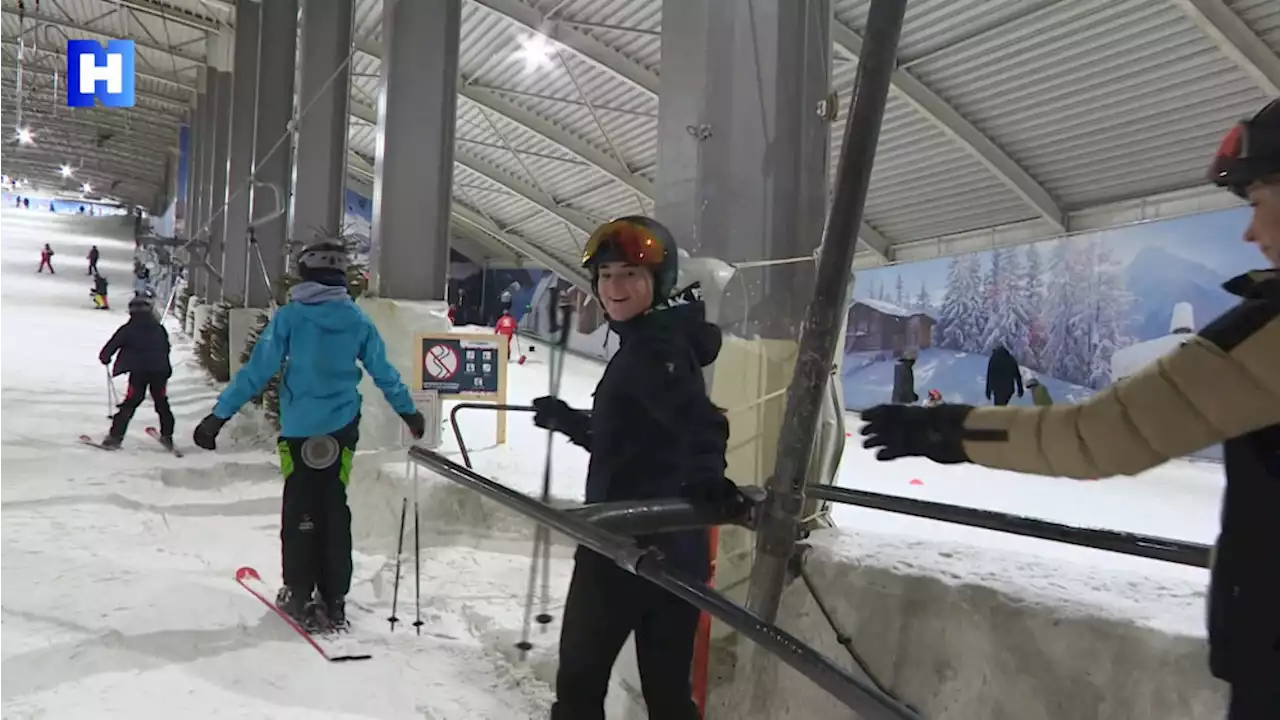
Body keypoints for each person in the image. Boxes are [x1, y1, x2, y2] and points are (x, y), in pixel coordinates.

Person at [857, 97, 1280, 720]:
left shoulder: (1264, 336)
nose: (1250, 231)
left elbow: (1100, 435)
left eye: (1259, 201)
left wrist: (949, 430)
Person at [531, 216, 741, 720]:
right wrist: (570, 422)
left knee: (580, 684)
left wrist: (708, 474)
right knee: (667, 692)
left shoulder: (654, 348)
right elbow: (638, 439)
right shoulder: (654, 339)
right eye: (605, 276)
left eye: (630, 275)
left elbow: (700, 422)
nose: (614, 288)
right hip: (671, 546)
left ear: (659, 282)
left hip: (622, 545)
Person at [190, 241, 427, 634]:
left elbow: (256, 372)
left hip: (298, 432)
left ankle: (298, 590)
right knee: (334, 504)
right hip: (342, 430)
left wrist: (218, 417)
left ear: (304, 273)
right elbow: (384, 373)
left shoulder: (290, 318)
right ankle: (334, 598)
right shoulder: (356, 321)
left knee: (300, 503)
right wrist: (408, 412)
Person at [97, 294, 175, 449]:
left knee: (131, 402)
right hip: (159, 371)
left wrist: (105, 358)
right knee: (161, 401)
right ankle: (167, 435)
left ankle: (115, 437)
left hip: (139, 373)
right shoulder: (159, 329)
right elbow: (166, 348)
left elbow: (110, 347)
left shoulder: (127, 329)